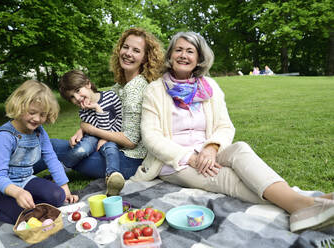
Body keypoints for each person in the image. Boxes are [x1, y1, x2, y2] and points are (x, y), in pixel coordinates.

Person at [130, 31, 334, 233]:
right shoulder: (155, 90)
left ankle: (303, 204)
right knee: (228, 178)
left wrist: (211, 147)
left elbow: (225, 126)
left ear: (199, 58)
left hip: (207, 151)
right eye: (179, 50)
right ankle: (305, 203)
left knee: (241, 149)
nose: (184, 55)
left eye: (190, 51)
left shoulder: (210, 87)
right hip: (174, 162)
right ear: (170, 56)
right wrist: (189, 157)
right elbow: (151, 137)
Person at [36, 27, 164, 196]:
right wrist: (81, 129)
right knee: (56, 146)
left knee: (52, 147)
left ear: (145, 58)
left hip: (129, 161)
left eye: (136, 50)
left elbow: (131, 140)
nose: (128, 53)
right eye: (126, 47)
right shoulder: (121, 85)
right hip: (117, 151)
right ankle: (10, 172)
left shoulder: (135, 89)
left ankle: (9, 174)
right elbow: (110, 116)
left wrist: (90, 129)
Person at [0, 80, 78, 224]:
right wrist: (18, 193)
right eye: (32, 112)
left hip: (25, 179)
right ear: (19, 106)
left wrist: (65, 190)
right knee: (26, 216)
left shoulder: (39, 132)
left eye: (43, 114)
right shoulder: (4, 136)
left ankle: (27, 201)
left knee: (58, 197)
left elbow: (51, 158)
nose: (37, 119)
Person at [56, 69, 123, 196]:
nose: (76, 98)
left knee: (111, 149)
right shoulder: (83, 111)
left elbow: (120, 121)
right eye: (71, 97)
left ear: (88, 84)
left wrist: (97, 108)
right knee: (82, 149)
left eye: (77, 91)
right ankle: (60, 170)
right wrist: (83, 129)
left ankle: (112, 178)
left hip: (112, 135)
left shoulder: (111, 97)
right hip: (94, 137)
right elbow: (94, 130)